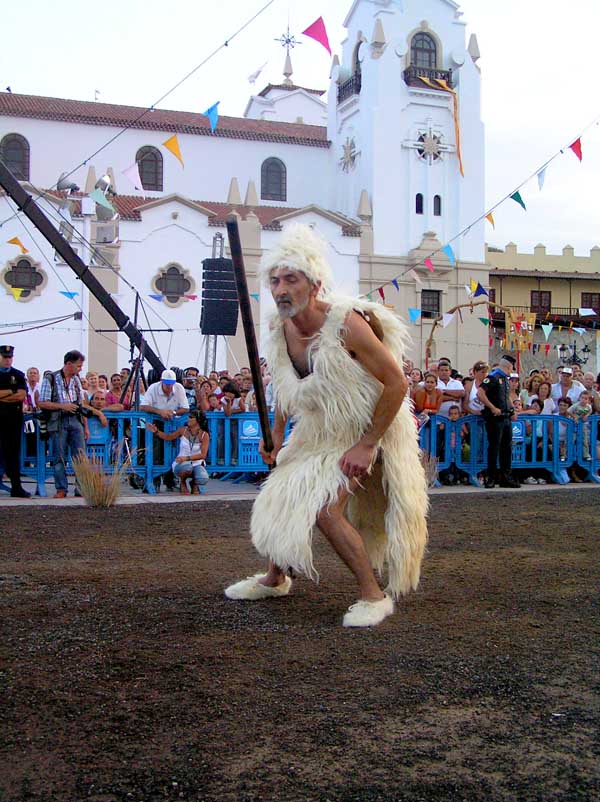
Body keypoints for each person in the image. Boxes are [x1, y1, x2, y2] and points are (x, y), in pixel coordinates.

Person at [224, 224, 428, 628]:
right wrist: (278, 433)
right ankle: (275, 578)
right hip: (318, 431)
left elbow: (396, 383)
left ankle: (374, 595)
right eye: (275, 280)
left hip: (366, 429)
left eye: (291, 279)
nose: (281, 289)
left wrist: (368, 445)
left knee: (325, 510)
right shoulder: (280, 328)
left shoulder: (346, 324)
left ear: (313, 284)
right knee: (282, 495)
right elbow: (284, 383)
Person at [39, 349, 90, 498]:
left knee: (80, 456)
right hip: (58, 420)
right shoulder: (51, 378)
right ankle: (61, 489)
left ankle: (81, 488)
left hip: (75, 420)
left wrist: (85, 426)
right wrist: (63, 406)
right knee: (59, 456)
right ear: (69, 364)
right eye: (78, 366)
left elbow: (81, 404)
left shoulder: (76, 380)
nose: (80, 369)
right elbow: (42, 402)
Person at [477, 354, 520, 489]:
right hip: (495, 418)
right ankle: (491, 477)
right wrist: (492, 407)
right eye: (512, 366)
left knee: (506, 448)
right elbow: (480, 393)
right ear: (508, 366)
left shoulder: (505, 379)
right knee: (494, 448)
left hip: (506, 417)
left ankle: (506, 477)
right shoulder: (493, 377)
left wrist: (512, 410)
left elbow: (506, 397)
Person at [146, 410, 209, 494]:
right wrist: (156, 431)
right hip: (181, 463)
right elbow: (169, 437)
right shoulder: (183, 430)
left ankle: (194, 483)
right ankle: (182, 482)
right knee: (187, 468)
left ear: (198, 420)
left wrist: (186, 458)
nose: (188, 419)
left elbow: (203, 455)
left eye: (191, 417)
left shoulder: (204, 435)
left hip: (196, 463)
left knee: (203, 478)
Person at [0, 345, 31, 497]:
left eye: (10, 357)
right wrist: (11, 392)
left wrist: (3, 395)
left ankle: (16, 487)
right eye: (5, 357)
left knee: (13, 453)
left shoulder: (17, 375)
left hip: (13, 420)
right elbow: (15, 393)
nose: (7, 360)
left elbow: (21, 395)